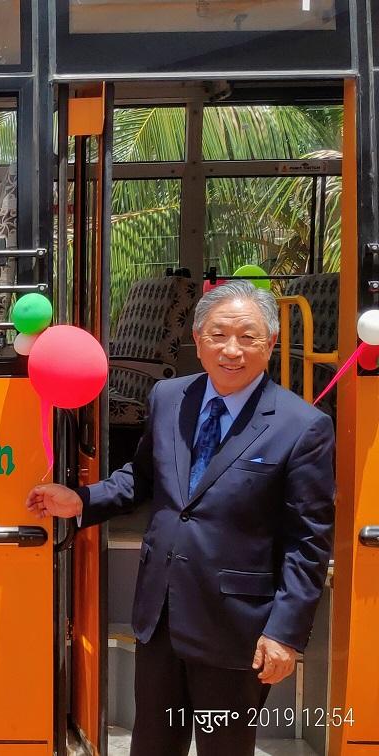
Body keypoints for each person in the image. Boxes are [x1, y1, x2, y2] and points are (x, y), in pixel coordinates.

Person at [26, 280, 334, 756]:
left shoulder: (302, 426)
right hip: (161, 615)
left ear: (270, 344)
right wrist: (82, 501)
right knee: (152, 745)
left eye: (248, 337)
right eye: (219, 335)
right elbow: (142, 478)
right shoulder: (169, 397)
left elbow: (307, 541)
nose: (232, 350)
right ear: (197, 338)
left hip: (237, 629)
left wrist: (285, 633)